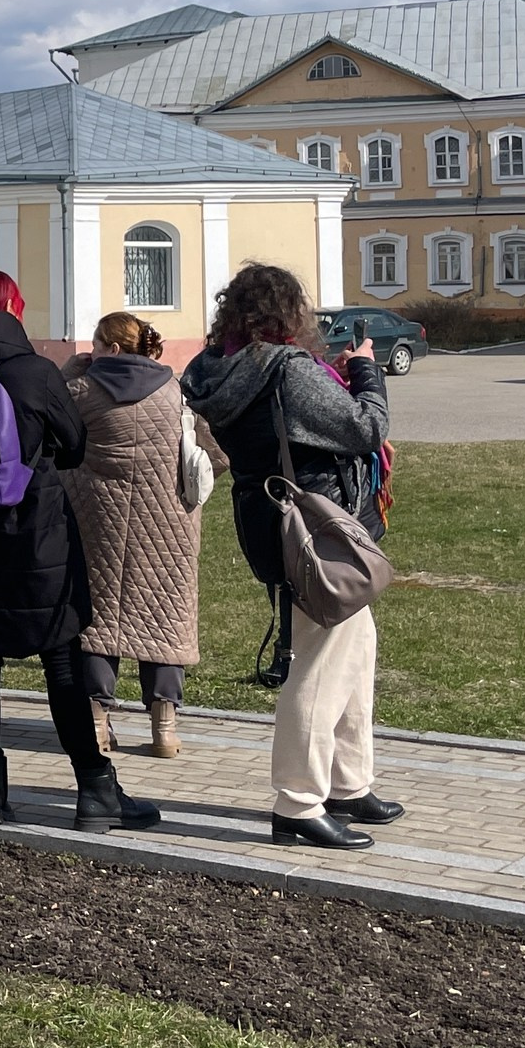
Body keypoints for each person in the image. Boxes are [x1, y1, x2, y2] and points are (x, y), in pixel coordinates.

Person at [0, 271, 162, 832]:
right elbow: (75, 446)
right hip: (35, 534)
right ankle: (94, 789)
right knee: (61, 661)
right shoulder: (33, 372)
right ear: (15, 307)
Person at [182, 262, 398, 851]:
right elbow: (364, 428)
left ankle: (348, 782)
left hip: (266, 514)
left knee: (355, 645)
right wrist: (366, 372)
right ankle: (299, 802)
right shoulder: (288, 370)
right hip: (315, 528)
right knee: (323, 660)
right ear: (290, 314)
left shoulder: (211, 368)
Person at [64, 313, 211, 760]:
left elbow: (56, 421)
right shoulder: (173, 391)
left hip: (98, 523)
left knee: (96, 620)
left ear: (109, 347)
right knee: (164, 617)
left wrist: (75, 366)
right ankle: (164, 726)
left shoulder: (82, 391)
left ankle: (95, 721)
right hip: (168, 524)